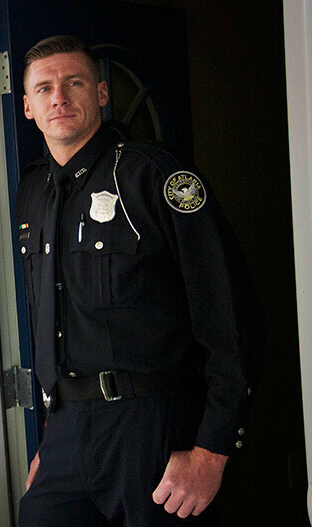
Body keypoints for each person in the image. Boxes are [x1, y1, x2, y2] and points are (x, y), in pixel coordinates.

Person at [15, 35, 261, 526]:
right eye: (44, 88)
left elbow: (230, 316)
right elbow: (50, 319)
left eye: (74, 82)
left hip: (152, 428)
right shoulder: (32, 193)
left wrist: (212, 450)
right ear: (27, 107)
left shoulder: (155, 176)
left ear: (102, 94)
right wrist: (53, 439)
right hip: (66, 431)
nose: (58, 97)